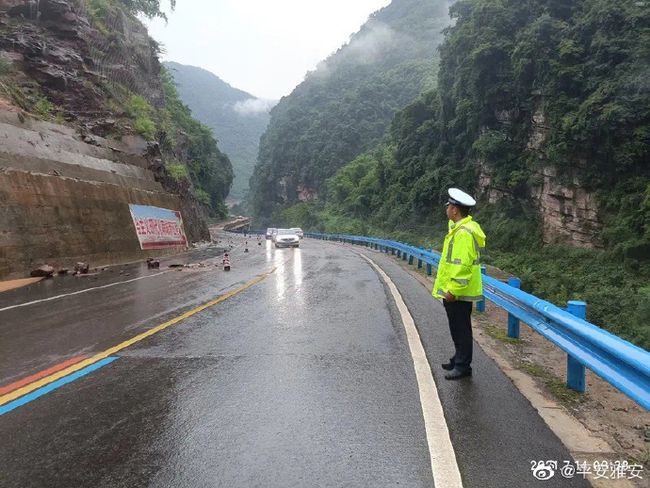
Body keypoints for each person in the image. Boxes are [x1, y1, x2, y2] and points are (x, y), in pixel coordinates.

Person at [432, 188, 486, 380]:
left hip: (458, 292)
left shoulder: (463, 234)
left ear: (455, 210)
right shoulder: (460, 229)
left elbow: (461, 265)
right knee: (457, 326)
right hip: (457, 290)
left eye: (449, 206)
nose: (446, 209)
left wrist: (453, 290)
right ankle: (458, 358)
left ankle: (463, 366)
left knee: (461, 328)